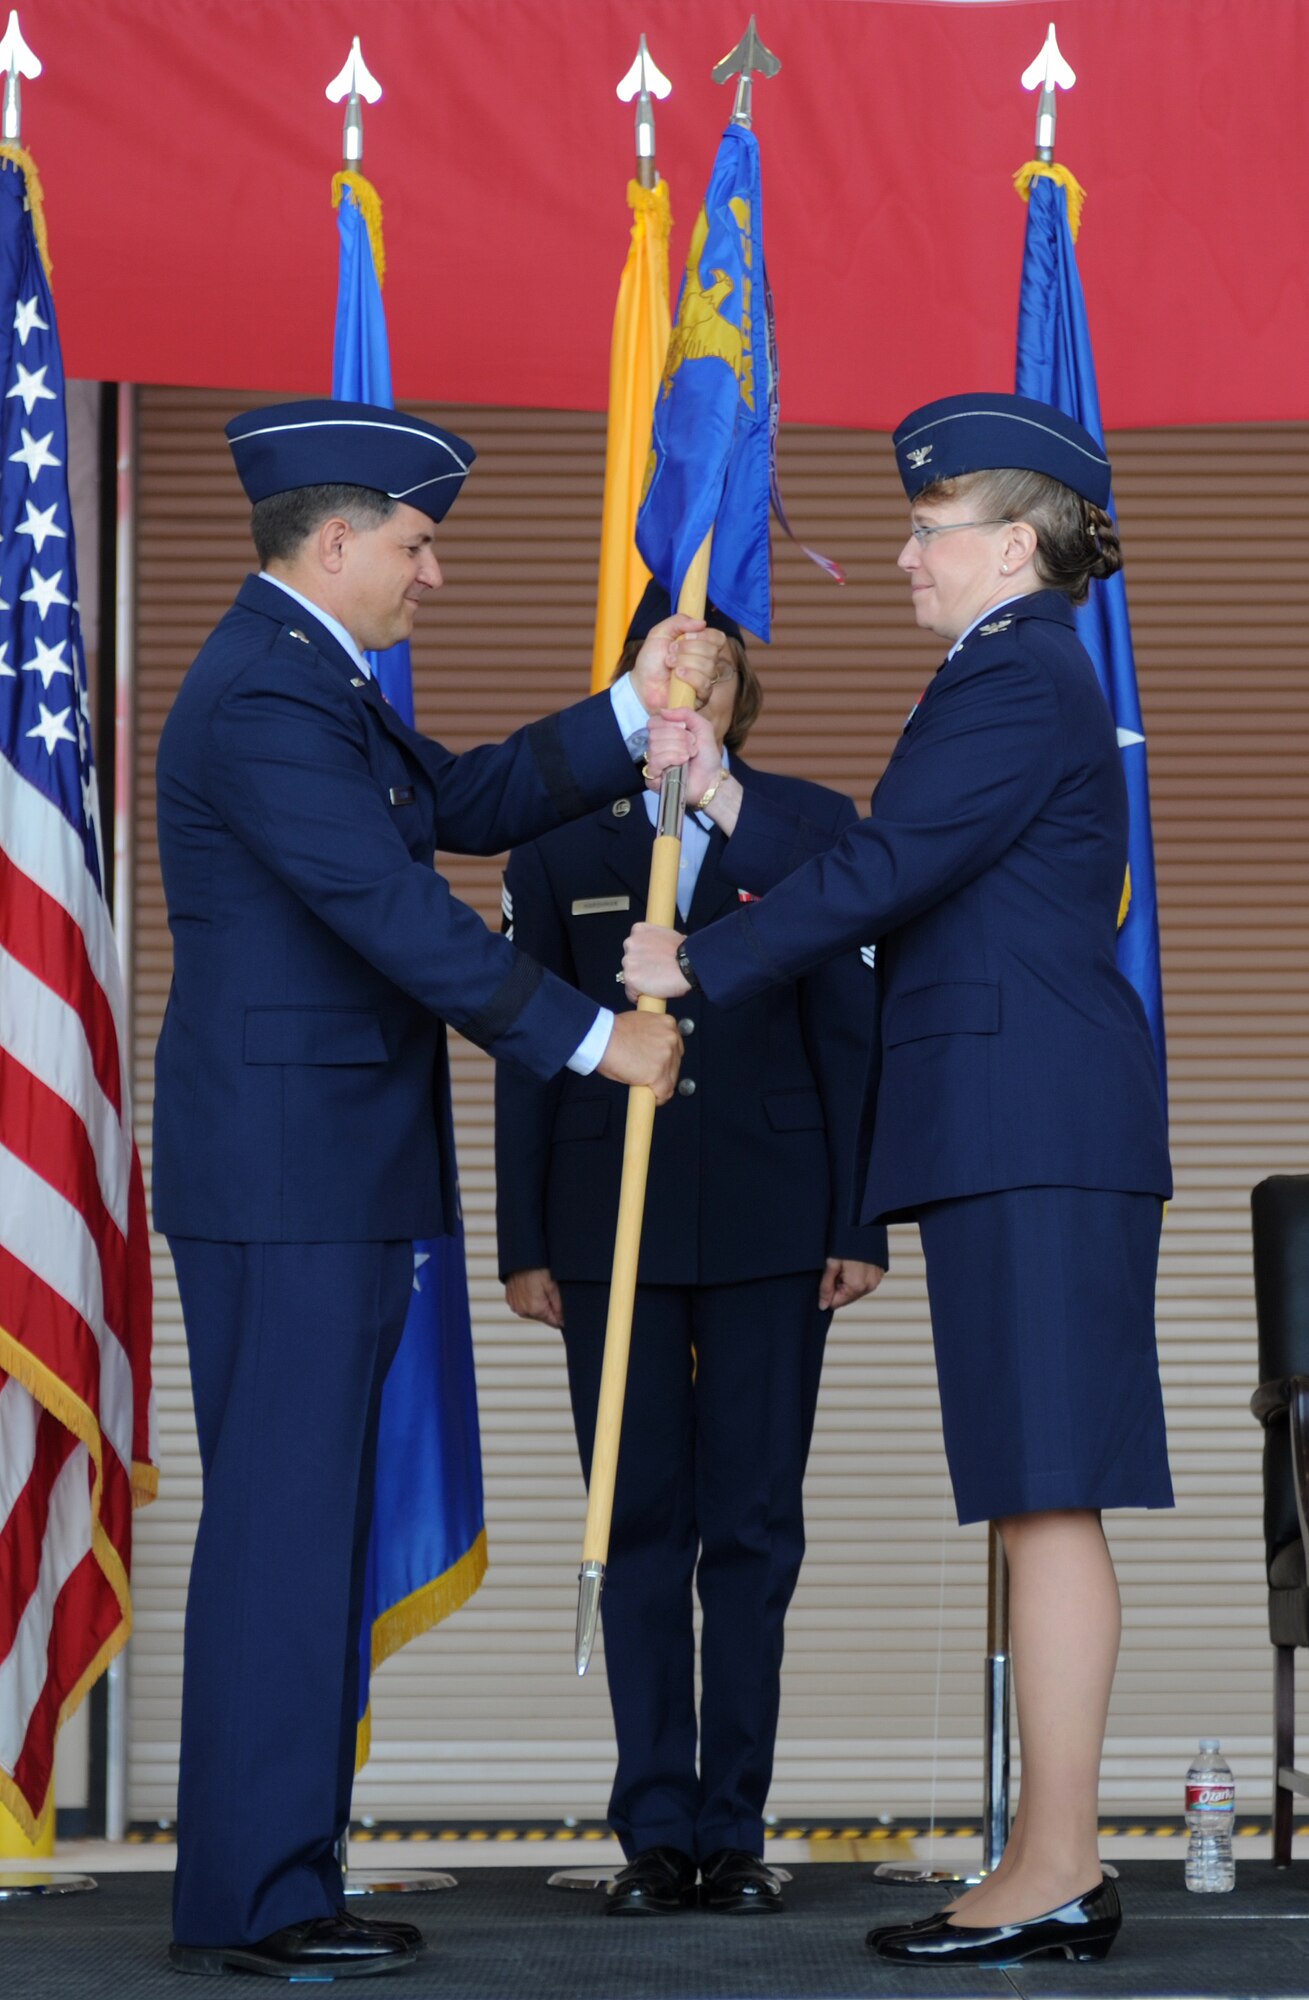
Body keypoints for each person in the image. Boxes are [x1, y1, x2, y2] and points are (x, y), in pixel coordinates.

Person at [154, 399, 706, 1980]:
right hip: (288, 1170)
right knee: (282, 1524)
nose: (433, 574)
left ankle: (282, 1876)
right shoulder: (269, 691)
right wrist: (599, 1040)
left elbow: (452, 804)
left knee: (310, 1523)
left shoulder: (310, 675)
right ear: (338, 543)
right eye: (418, 543)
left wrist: (628, 711)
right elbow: (392, 913)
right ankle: (255, 1896)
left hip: (325, 1162)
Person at [621, 392, 1173, 1969]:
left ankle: (1057, 1864)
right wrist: (722, 796)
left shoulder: (1014, 675)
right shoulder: (1006, 674)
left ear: (1010, 542)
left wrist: (696, 959)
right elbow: (908, 852)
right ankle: (1048, 1853)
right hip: (1023, 1128)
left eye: (926, 530)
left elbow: (880, 872)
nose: (903, 555)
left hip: (1036, 1130)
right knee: (1031, 1492)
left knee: (1044, 1493)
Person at [495, 582, 886, 1916]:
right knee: (638, 1521)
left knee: (755, 1529)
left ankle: (735, 1828)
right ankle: (654, 1830)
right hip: (611, 1226)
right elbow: (527, 1054)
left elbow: (851, 1032)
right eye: (671, 671)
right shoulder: (556, 849)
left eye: (714, 674)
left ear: (738, 699)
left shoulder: (809, 828)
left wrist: (856, 1220)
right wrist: (525, 1237)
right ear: (632, 688)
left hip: (779, 1219)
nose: (693, 694)